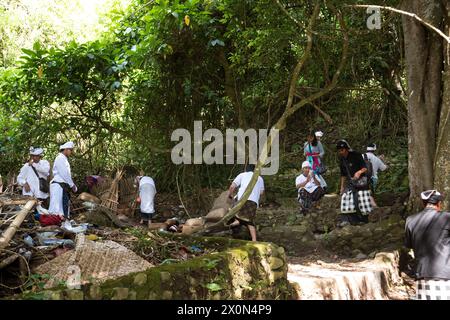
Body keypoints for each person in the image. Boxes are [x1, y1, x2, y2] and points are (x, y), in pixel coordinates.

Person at [405, 190, 450, 300]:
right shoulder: (447, 218)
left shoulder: (410, 220)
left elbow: (409, 244)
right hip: (446, 273)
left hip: (423, 273)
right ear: (439, 204)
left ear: (423, 203)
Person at [337, 139, 372, 226]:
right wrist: (341, 187)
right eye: (339, 150)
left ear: (346, 149)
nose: (341, 152)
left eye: (342, 150)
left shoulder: (356, 155)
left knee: (359, 197)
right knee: (345, 196)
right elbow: (343, 175)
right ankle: (347, 220)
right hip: (352, 182)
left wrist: (359, 172)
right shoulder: (342, 160)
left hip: (361, 181)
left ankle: (364, 218)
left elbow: (365, 168)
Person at [227, 164, 265, 241]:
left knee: (232, 213)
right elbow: (261, 192)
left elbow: (232, 186)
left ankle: (228, 227)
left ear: (246, 170)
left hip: (242, 200)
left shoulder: (242, 175)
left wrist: (230, 195)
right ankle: (254, 240)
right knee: (249, 221)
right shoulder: (260, 178)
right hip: (253, 202)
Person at [48, 141, 77, 218]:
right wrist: (72, 185)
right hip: (58, 185)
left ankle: (63, 223)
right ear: (66, 149)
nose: (71, 152)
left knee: (63, 207)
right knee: (57, 209)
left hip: (62, 186)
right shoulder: (60, 158)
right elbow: (64, 173)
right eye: (70, 150)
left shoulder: (63, 158)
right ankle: (56, 224)